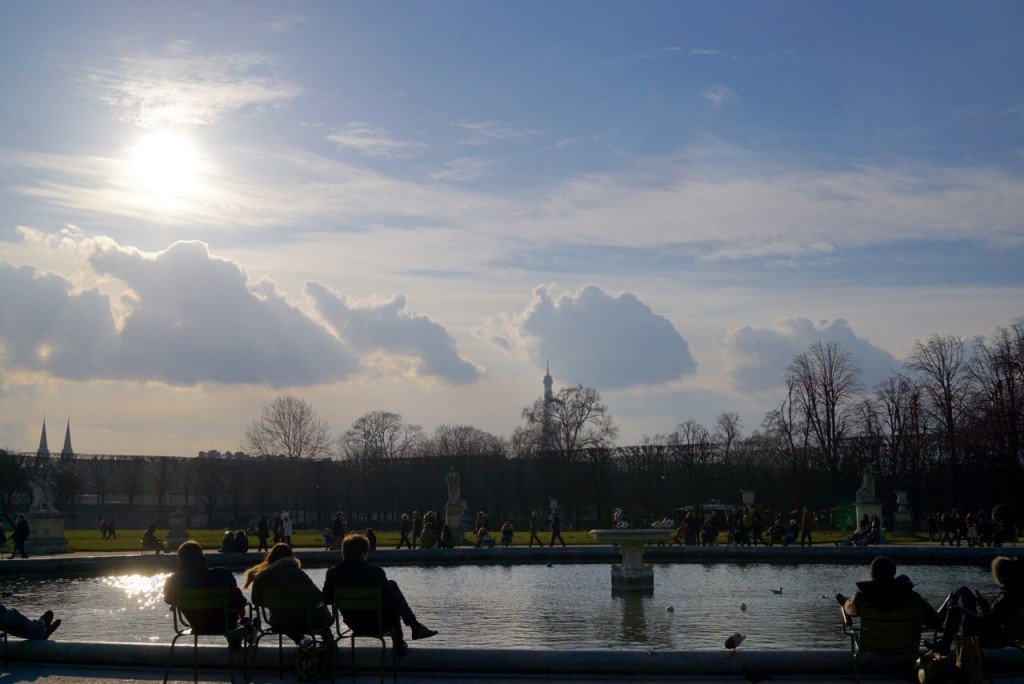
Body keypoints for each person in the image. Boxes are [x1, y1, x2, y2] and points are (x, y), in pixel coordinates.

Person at [322, 533, 437, 657]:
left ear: (344, 552)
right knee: (392, 593)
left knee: (391, 587)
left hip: (354, 624)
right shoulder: (376, 573)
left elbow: (327, 599)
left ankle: (415, 626)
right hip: (379, 624)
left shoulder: (333, 574)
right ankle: (405, 637)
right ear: (363, 553)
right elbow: (392, 603)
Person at [163, 541, 249, 648]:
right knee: (237, 621)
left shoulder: (173, 581)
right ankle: (238, 648)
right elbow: (239, 600)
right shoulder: (222, 575)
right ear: (202, 556)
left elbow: (168, 600)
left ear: (181, 560)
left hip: (196, 625)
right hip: (224, 624)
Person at [244, 543, 333, 645]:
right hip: (305, 622)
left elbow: (256, 600)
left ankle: (302, 642)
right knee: (319, 613)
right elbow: (317, 596)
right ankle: (328, 644)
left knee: (286, 618)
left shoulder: (261, 577)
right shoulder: (297, 574)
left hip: (280, 623)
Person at [933, 556, 1024, 653]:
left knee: (954, 606)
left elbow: (988, 623)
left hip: (990, 636)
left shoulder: (1008, 596)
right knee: (962, 591)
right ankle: (937, 626)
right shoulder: (1017, 594)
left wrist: (980, 605)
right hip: (1004, 635)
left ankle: (945, 642)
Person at [836, 556, 942, 629]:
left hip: (872, 649)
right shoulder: (913, 598)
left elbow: (849, 609)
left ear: (872, 576)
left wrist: (845, 602)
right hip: (906, 650)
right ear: (893, 574)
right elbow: (934, 622)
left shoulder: (862, 598)